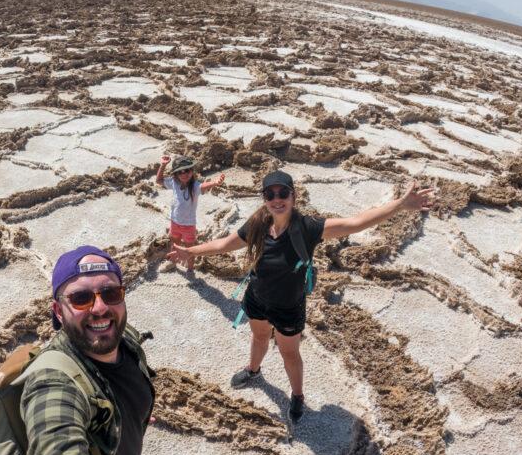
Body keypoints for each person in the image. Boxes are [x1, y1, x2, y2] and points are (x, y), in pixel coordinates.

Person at [170, 170, 436, 422]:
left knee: (290, 354)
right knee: (259, 337)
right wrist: (192, 252)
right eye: (270, 195)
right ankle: (253, 370)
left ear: (293, 196)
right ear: (264, 199)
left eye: (282, 193)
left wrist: (400, 205)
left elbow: (355, 223)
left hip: (288, 307)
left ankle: (297, 396)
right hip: (257, 297)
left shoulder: (307, 227)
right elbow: (225, 244)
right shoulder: (258, 223)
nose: (277, 200)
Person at [8, 246, 171, 455]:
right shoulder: (53, 384)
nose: (100, 307)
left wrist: (134, 418)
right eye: (81, 298)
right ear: (57, 310)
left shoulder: (123, 338)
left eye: (111, 293)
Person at [156, 155, 225, 270]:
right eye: (180, 172)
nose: (184, 174)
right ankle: (172, 262)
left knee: (190, 249)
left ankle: (190, 269)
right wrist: (163, 165)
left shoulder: (195, 186)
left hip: (188, 225)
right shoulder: (174, 183)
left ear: (192, 171)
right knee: (175, 245)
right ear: (176, 174)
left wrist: (215, 182)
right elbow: (158, 180)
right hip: (174, 222)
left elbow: (204, 186)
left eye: (187, 170)